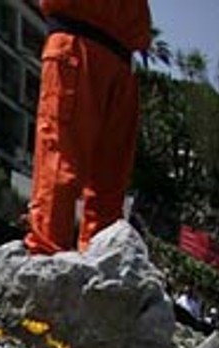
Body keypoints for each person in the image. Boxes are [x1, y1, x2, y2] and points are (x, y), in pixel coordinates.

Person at [24, 0, 152, 254]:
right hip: (81, 40)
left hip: (119, 55)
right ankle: (44, 262)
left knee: (108, 185)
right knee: (61, 167)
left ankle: (95, 265)